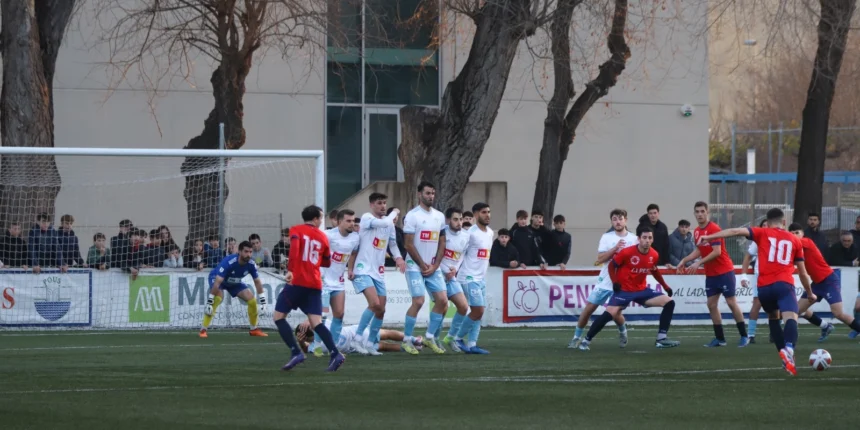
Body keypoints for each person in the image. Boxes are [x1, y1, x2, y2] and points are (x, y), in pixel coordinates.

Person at [698, 208, 814, 376]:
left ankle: (785, 358)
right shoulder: (795, 240)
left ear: (768, 221)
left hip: (764, 288)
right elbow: (802, 272)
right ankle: (789, 348)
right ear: (783, 222)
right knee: (791, 317)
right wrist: (809, 292)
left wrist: (709, 237)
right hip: (784, 284)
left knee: (773, 317)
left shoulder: (761, 232)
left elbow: (735, 231)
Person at [578, 226, 680, 350]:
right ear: (638, 239)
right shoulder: (627, 252)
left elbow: (654, 270)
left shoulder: (654, 254)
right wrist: (615, 282)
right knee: (609, 314)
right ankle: (586, 341)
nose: (647, 240)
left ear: (652, 239)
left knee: (669, 303)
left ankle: (661, 339)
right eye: (644, 237)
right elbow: (611, 266)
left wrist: (666, 286)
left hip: (641, 290)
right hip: (624, 291)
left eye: (650, 238)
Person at [275, 205, 345, 372]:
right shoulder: (322, 237)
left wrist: (291, 270)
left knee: (278, 317)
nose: (321, 221)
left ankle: (295, 352)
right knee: (316, 322)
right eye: (320, 218)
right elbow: (326, 262)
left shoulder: (296, 230)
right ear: (315, 219)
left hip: (298, 281)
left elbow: (294, 251)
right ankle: (335, 354)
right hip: (315, 283)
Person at [677, 201, 749, 348]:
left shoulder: (714, 229)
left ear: (707, 212)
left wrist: (698, 263)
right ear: (694, 213)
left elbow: (717, 252)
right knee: (711, 305)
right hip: (711, 275)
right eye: (697, 212)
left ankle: (744, 336)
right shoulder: (697, 231)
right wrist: (684, 260)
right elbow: (699, 250)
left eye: (702, 211)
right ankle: (720, 339)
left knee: (731, 303)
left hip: (724, 271)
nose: (700, 214)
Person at [347, 193, 406, 355]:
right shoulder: (367, 218)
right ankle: (357, 338)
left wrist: (399, 258)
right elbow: (386, 221)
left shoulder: (389, 225)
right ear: (371, 205)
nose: (383, 206)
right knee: (374, 304)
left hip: (378, 272)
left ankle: (370, 343)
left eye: (385, 203)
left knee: (381, 309)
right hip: (362, 270)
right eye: (379, 203)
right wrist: (395, 212)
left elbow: (392, 244)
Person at [568, 209, 632, 349]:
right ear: (611, 222)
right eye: (614, 219)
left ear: (625, 220)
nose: (618, 222)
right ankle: (576, 337)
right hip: (605, 281)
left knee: (615, 313)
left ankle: (623, 332)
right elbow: (600, 259)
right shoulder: (606, 237)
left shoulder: (634, 239)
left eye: (620, 218)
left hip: (621, 283)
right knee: (588, 309)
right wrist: (615, 249)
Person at [788, 223, 860, 341]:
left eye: (797, 233)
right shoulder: (795, 250)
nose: (795, 235)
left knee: (838, 313)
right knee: (798, 310)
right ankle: (825, 326)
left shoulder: (807, 242)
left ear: (803, 234)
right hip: (817, 283)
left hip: (829, 280)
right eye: (792, 233)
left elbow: (793, 243)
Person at [402, 181, 448, 354]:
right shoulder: (412, 216)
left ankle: (429, 337)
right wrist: (422, 265)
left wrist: (435, 265)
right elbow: (408, 244)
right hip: (415, 266)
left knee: (443, 301)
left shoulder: (439, 216)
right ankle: (407, 340)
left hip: (432, 267)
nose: (431, 196)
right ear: (419, 194)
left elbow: (442, 242)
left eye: (433, 193)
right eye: (427, 193)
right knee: (419, 301)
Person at [308, 209, 362, 357]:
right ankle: (316, 345)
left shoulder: (355, 238)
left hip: (338, 282)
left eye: (353, 221)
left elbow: (353, 253)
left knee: (339, 314)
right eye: (348, 221)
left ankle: (333, 346)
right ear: (339, 222)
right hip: (323, 282)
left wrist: (350, 269)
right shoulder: (327, 235)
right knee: (322, 315)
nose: (352, 224)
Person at [199, 241, 268, 338]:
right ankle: (203, 330)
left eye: (250, 252)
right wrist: (209, 302)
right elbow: (218, 282)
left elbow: (257, 282)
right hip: (218, 278)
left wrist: (263, 302)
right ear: (239, 251)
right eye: (246, 251)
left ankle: (254, 329)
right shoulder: (229, 261)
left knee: (252, 300)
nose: (248, 255)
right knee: (218, 298)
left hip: (234, 282)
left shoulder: (251, 264)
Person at [452, 203, 494, 355]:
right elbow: (461, 252)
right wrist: (454, 269)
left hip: (480, 278)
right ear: (476, 215)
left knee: (479, 313)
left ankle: (472, 344)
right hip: (468, 277)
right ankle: (457, 338)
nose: (487, 215)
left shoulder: (490, 233)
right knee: (478, 310)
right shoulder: (470, 233)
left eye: (489, 212)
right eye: (484, 212)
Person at [438, 207, 472, 352]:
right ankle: (435, 338)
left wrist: (455, 269)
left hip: (451, 276)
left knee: (464, 307)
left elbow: (461, 255)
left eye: (461, 219)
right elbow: (434, 254)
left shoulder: (466, 236)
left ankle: (450, 338)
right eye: (455, 219)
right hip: (438, 274)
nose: (459, 222)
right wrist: (443, 270)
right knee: (442, 307)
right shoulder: (441, 233)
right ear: (448, 220)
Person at [740, 219, 770, 344]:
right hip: (761, 276)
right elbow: (748, 256)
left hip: (776, 276)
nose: (766, 227)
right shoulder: (758, 240)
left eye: (768, 225)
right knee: (757, 303)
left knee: (776, 305)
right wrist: (743, 275)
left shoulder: (779, 239)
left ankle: (774, 333)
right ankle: (751, 334)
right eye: (763, 225)